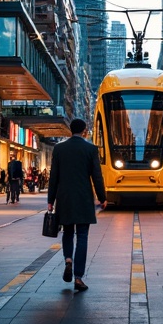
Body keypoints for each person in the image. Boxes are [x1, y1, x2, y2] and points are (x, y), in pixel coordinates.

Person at [48, 117, 107, 292]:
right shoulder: (90, 149)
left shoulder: (59, 149)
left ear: (70, 131)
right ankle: (78, 277)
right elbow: (97, 175)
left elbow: (54, 177)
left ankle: (68, 259)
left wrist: (50, 200)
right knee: (82, 236)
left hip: (64, 197)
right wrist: (102, 197)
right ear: (84, 131)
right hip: (83, 198)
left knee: (67, 232)